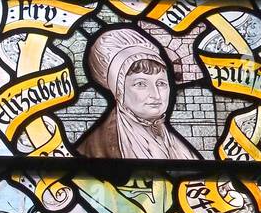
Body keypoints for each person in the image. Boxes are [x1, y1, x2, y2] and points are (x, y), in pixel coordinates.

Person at [76, 26, 200, 161]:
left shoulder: (176, 145)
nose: (156, 94)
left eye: (161, 83)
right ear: (119, 91)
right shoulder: (94, 150)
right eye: (141, 84)